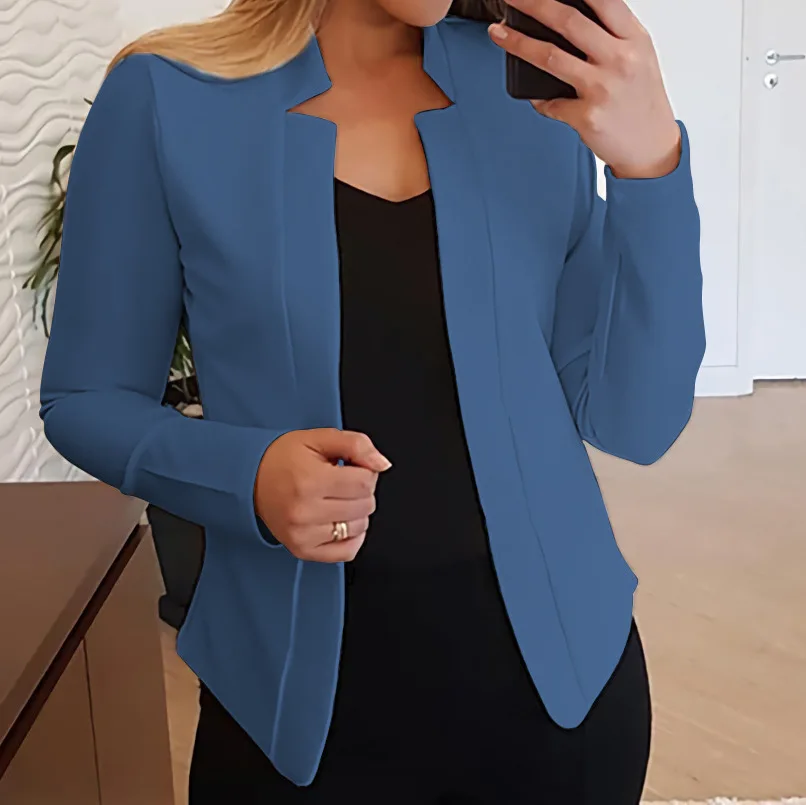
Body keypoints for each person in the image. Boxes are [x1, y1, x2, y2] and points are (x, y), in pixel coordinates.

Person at [39, 0, 706, 802]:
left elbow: (636, 421)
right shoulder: (166, 98)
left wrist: (650, 168)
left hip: (564, 704)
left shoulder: (527, 93)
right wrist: (247, 474)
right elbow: (86, 397)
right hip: (291, 720)